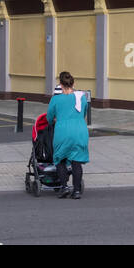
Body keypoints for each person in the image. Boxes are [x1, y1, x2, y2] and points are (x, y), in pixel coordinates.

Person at [46, 71, 90, 199]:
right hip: (80, 130)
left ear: (60, 84)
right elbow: (84, 113)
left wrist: (54, 120)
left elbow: (49, 117)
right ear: (73, 83)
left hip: (63, 131)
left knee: (60, 159)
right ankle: (76, 191)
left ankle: (64, 187)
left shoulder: (55, 99)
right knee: (77, 162)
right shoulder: (81, 97)